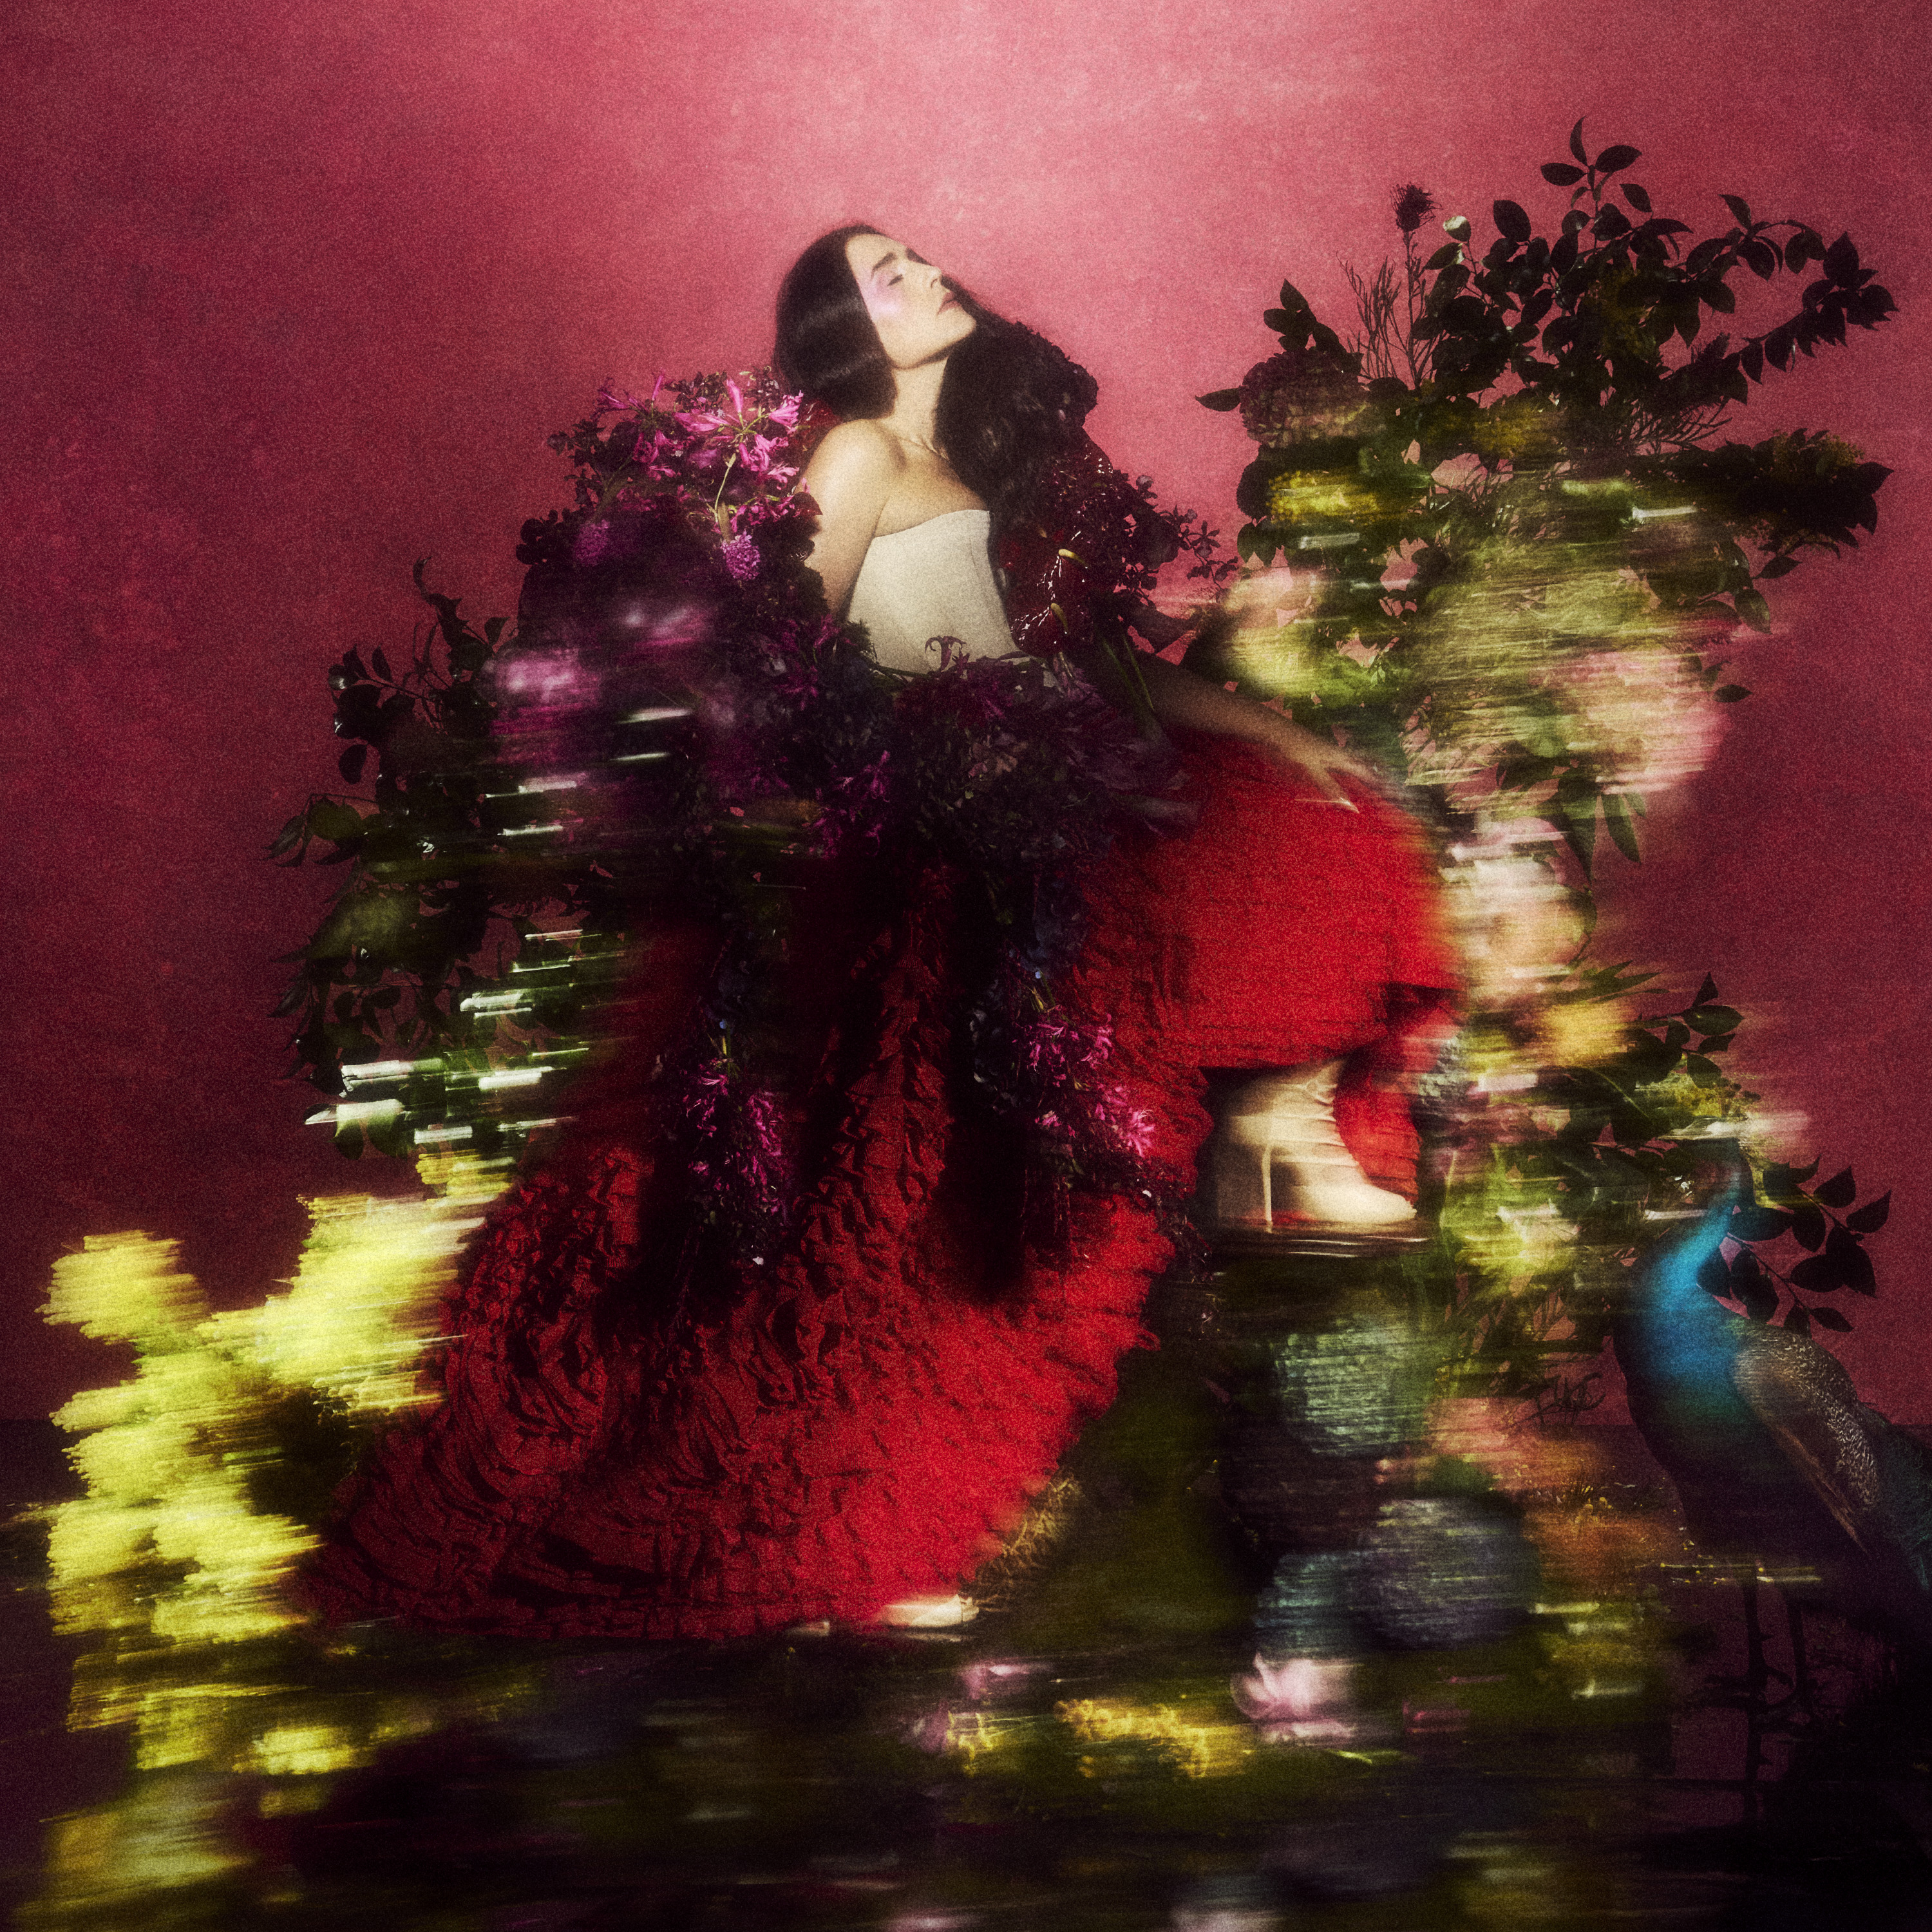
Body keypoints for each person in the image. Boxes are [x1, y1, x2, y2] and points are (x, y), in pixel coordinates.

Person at [301, 227, 1455, 1640]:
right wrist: (877, 781)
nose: (918, 270)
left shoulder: (976, 468)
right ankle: (879, 1496)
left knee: (1308, 810)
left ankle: (1282, 1126)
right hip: (944, 807)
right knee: (1151, 906)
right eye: (878, 275)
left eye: (911, 252)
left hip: (1049, 759)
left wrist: (1270, 728)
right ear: (843, 334)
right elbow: (785, 651)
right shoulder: (853, 453)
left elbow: (1093, 668)